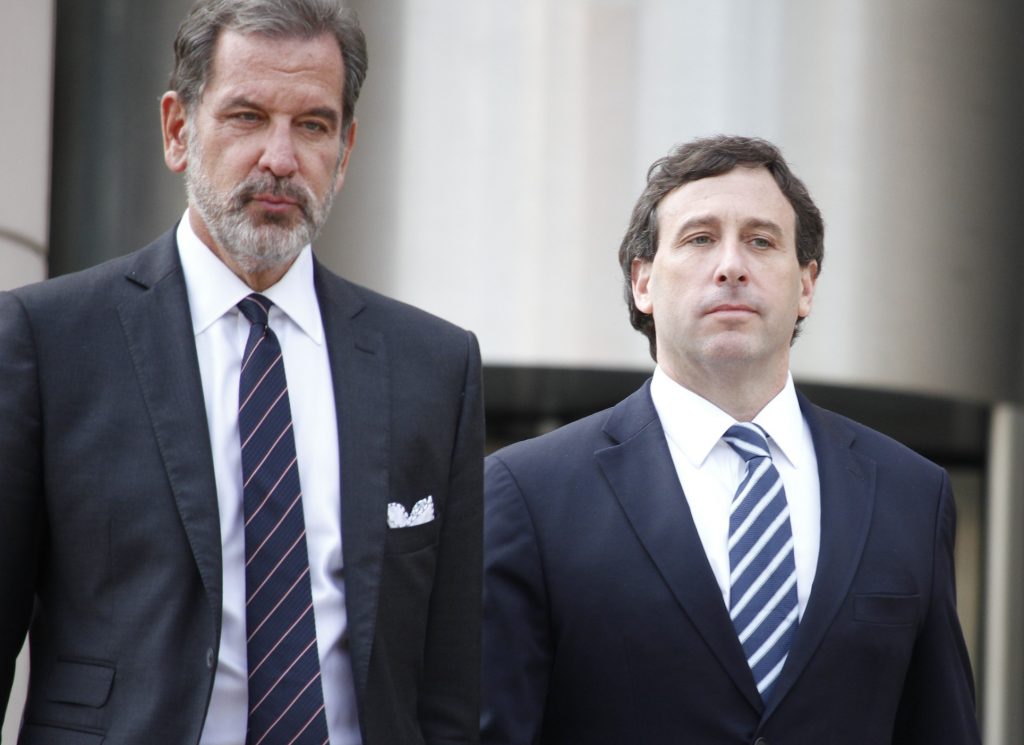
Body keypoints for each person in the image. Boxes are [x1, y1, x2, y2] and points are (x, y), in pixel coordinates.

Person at [0, 1, 483, 743]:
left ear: (346, 150)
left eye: (313, 125)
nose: (280, 159)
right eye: (247, 117)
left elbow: (448, 688)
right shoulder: (49, 341)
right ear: (177, 129)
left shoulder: (434, 367)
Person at [481, 135, 980, 744]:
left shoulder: (912, 493)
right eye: (698, 239)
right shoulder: (529, 493)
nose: (731, 265)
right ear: (642, 282)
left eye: (762, 241)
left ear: (806, 285)